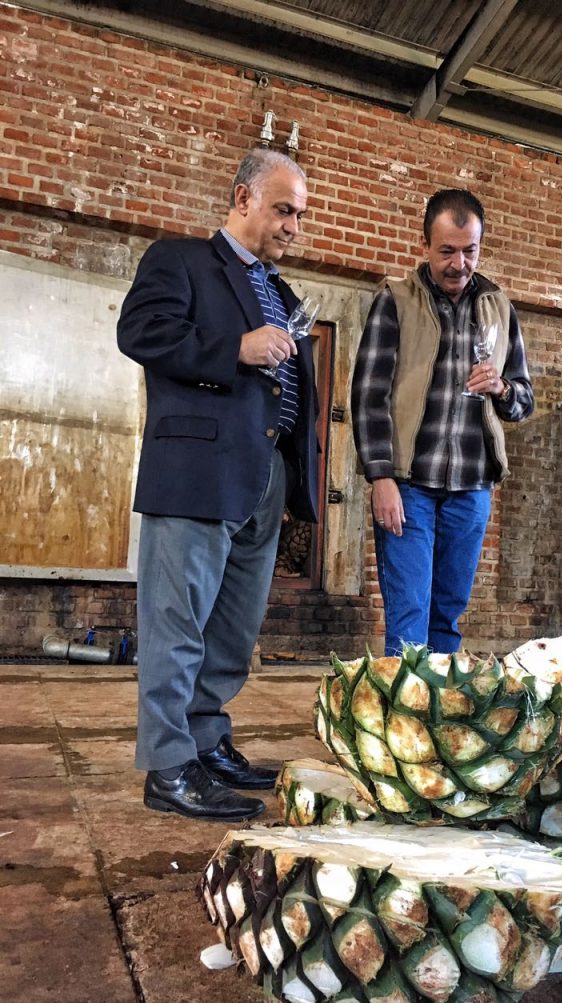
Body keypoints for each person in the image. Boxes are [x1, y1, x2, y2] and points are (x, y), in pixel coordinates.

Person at [117, 148, 319, 821]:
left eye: (300, 214)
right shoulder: (179, 261)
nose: (294, 225)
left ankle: (206, 742)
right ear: (243, 198)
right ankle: (169, 766)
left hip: (262, 472)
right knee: (177, 627)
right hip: (198, 471)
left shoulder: (282, 293)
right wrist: (234, 348)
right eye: (283, 209)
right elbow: (141, 331)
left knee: (231, 631)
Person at [351, 188, 534, 657]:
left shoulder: (499, 308)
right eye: (447, 251)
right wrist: (380, 477)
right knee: (409, 617)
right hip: (410, 485)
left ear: (480, 247)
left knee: (447, 618)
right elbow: (369, 395)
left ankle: (436, 722)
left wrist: (501, 389)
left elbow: (523, 401)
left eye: (469, 251)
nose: (458, 264)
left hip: (471, 488)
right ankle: (403, 726)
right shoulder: (395, 300)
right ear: (425, 245)